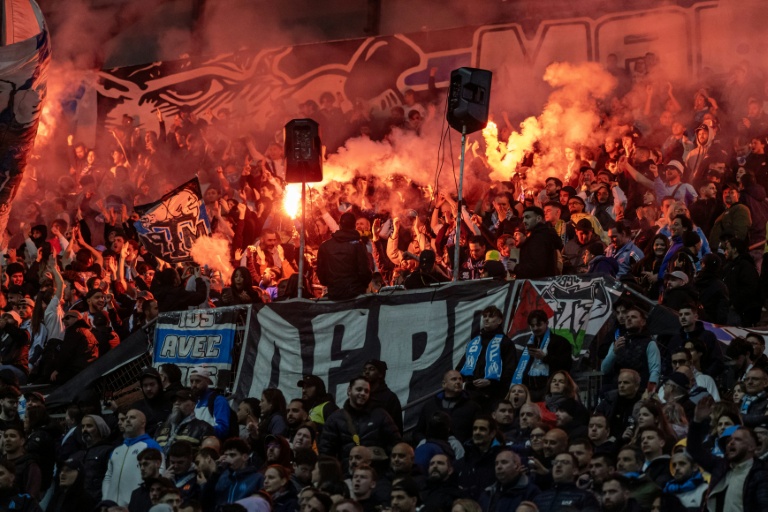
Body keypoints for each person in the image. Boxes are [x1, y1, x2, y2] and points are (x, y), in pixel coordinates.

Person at [688, 397, 768, 511]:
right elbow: (694, 450)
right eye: (728, 440)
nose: (731, 443)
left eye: (738, 439)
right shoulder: (720, 466)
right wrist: (697, 421)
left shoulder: (760, 475)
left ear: (752, 446)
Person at [318, 376, 401, 466]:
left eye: (366, 391)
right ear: (349, 390)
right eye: (359, 389)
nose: (363, 393)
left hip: (377, 474)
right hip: (348, 475)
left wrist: (388, 475)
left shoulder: (381, 415)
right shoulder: (335, 419)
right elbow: (326, 453)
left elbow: (396, 445)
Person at [457, 306, 518, 406]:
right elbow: (461, 367)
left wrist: (491, 382)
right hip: (469, 393)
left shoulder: (506, 343)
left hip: (492, 395)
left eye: (490, 316)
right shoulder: (474, 342)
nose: (486, 319)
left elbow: (510, 370)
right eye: (484, 316)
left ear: (499, 320)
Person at [102, 409, 163, 506]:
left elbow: (160, 474)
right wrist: (106, 498)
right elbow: (108, 477)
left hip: (136, 505)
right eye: (126, 418)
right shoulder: (117, 450)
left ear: (143, 423)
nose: (128, 420)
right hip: (112, 507)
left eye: (133, 417)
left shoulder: (151, 445)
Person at [513, 310, 572, 402]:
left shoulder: (560, 342)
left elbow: (566, 365)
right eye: (532, 326)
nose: (535, 328)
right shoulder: (529, 344)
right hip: (530, 390)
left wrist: (545, 358)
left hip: (549, 390)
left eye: (539, 324)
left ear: (546, 323)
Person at [316, 211, 372, 300]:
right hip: (356, 295)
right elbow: (365, 273)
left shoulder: (324, 246)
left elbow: (322, 277)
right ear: (354, 226)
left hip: (334, 295)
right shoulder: (359, 245)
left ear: (340, 225)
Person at [201, 438, 263, 509]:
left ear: (245, 457)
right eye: (226, 455)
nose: (228, 459)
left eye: (232, 455)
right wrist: (215, 473)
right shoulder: (221, 477)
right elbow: (206, 501)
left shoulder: (257, 478)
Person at [532, 452, 600, 512]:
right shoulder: (539, 498)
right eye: (555, 462)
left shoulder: (584, 497)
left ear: (575, 471)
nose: (558, 465)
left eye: (564, 462)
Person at [155, 389, 214, 453]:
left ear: (193, 405)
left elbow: (205, 457)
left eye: (182, 400)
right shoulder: (161, 428)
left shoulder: (203, 428)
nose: (177, 403)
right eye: (174, 401)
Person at [514, 206, 563, 279]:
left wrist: (515, 267)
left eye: (527, 217)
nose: (524, 221)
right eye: (523, 218)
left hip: (537, 285)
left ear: (539, 218)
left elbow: (536, 268)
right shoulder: (541, 236)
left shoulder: (539, 238)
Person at [189, 367, 233, 440]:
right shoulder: (195, 401)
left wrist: (201, 431)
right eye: (191, 381)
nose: (193, 385)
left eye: (197, 381)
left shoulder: (218, 400)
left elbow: (223, 428)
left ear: (207, 381)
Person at [362, 359, 403, 434]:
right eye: (365, 370)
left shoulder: (390, 397)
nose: (367, 372)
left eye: (371, 369)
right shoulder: (360, 396)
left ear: (380, 374)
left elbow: (397, 427)